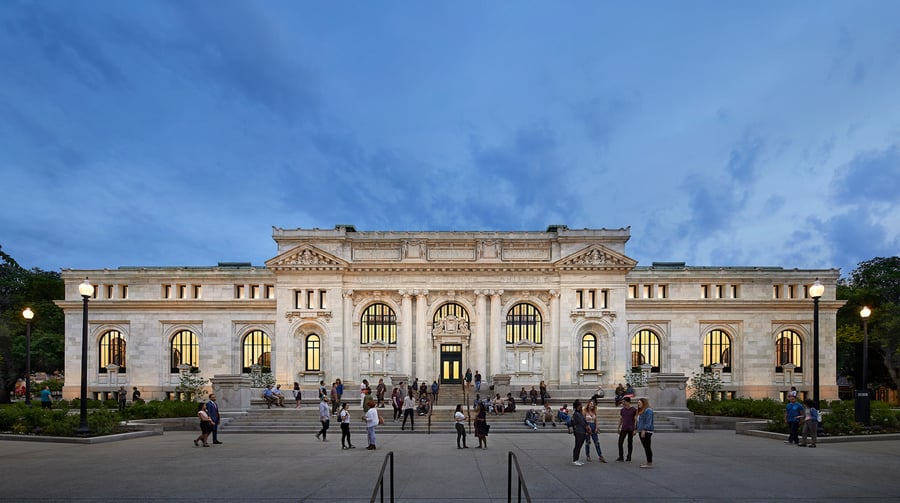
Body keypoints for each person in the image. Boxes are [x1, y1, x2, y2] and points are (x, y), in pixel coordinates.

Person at [616, 397, 637, 462]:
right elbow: (621, 419)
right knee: (620, 442)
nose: (623, 403)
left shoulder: (634, 410)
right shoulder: (622, 410)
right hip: (624, 428)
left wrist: (635, 429)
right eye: (622, 402)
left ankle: (629, 456)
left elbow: (635, 420)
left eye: (624, 401)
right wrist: (618, 427)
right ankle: (621, 456)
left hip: (631, 428)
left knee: (630, 442)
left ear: (628, 402)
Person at [636, 398, 655, 468]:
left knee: (647, 447)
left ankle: (649, 463)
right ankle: (648, 462)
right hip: (641, 430)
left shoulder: (648, 410)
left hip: (646, 431)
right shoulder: (642, 411)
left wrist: (644, 430)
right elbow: (639, 422)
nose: (638, 404)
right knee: (646, 447)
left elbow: (648, 421)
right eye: (638, 402)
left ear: (644, 403)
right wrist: (636, 430)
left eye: (639, 402)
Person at [571, 401, 588, 466]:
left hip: (582, 431)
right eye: (580, 405)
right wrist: (587, 428)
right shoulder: (576, 414)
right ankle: (575, 460)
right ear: (577, 406)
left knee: (579, 446)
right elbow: (582, 422)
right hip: (579, 431)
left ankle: (577, 459)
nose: (581, 406)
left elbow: (584, 420)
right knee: (577, 445)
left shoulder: (580, 413)